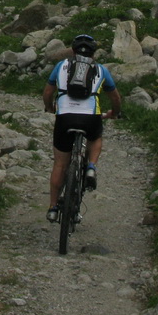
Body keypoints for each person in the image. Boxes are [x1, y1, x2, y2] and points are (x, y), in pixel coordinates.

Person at [42, 33, 122, 222]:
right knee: (95, 138)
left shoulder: (61, 66)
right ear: (94, 53)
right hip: (90, 117)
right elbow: (115, 97)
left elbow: (47, 93)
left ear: (73, 51)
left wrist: (50, 107)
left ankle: (53, 208)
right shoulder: (101, 69)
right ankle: (91, 166)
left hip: (64, 117)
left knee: (60, 164)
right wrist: (115, 112)